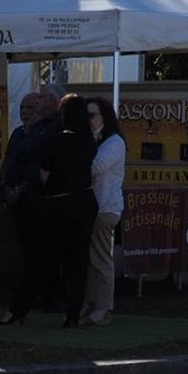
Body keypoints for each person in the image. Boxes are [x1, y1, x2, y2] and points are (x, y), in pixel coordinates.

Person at [0, 88, 59, 323]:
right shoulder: (17, 133)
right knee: (24, 249)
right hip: (15, 201)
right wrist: (5, 187)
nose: (25, 112)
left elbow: (38, 166)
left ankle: (45, 295)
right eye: (22, 107)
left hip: (34, 199)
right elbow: (8, 160)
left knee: (39, 250)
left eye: (30, 107)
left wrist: (20, 188)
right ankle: (29, 293)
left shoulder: (44, 134)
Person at [39, 93, 99, 326]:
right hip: (84, 202)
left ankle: (43, 300)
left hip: (60, 203)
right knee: (79, 260)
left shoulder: (56, 140)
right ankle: (73, 312)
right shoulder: (89, 141)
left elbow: (44, 175)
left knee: (50, 255)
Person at [83, 95, 126, 325]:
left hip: (105, 208)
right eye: (85, 115)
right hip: (91, 208)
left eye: (92, 115)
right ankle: (91, 304)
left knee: (101, 259)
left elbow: (95, 168)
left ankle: (104, 307)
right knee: (90, 260)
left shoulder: (114, 142)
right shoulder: (93, 140)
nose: (87, 119)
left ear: (104, 117)